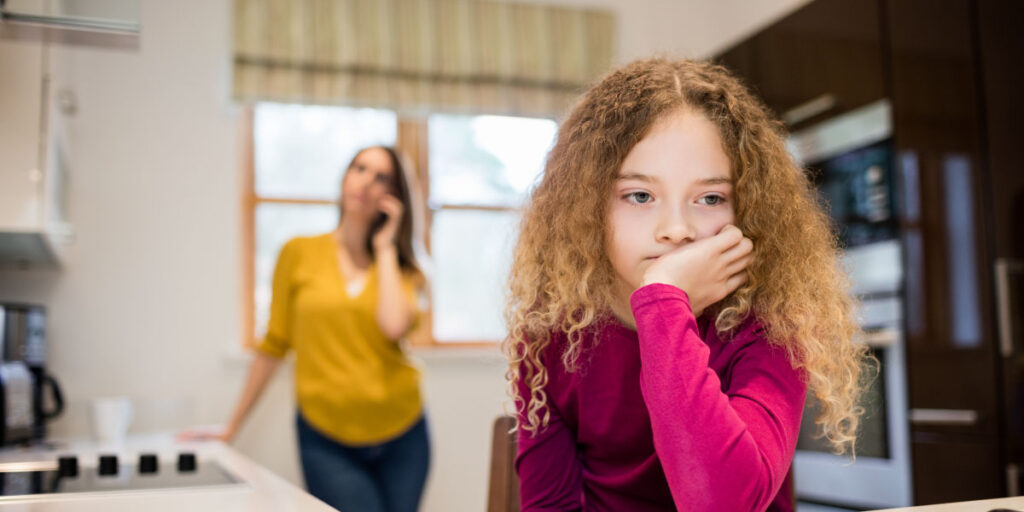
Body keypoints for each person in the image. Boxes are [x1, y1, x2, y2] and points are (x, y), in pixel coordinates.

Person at [503, 58, 870, 512]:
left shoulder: (772, 323)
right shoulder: (550, 334)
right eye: (640, 196)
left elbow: (723, 504)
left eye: (710, 198)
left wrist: (661, 303)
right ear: (588, 207)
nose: (676, 229)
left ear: (747, 208)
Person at [189, 146, 430, 512]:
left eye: (381, 176)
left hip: (403, 435)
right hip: (326, 440)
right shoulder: (298, 253)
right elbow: (274, 345)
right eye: (359, 168)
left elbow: (393, 324)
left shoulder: (403, 268)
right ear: (345, 177)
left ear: (393, 196)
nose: (365, 181)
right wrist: (231, 426)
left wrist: (384, 248)